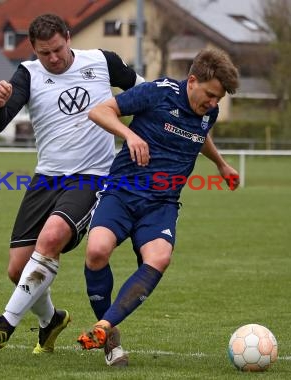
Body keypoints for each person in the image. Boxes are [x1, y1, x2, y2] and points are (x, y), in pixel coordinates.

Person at [0, 13, 143, 365]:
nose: (53, 59)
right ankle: (51, 321)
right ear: (34, 49)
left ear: (68, 37)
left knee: (51, 240)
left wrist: (136, 138)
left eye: (58, 50)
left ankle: (6, 323)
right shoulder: (28, 74)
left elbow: (147, 95)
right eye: (45, 53)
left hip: (92, 177)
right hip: (46, 179)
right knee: (18, 271)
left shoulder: (103, 61)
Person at [76, 47, 240, 365]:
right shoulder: (157, 92)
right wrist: (129, 135)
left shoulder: (209, 111)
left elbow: (200, 134)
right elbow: (100, 111)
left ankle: (104, 328)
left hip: (162, 203)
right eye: (209, 95)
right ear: (192, 80)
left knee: (160, 257)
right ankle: (110, 339)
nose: (213, 103)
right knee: (96, 251)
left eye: (218, 99)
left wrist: (220, 163)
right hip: (123, 191)